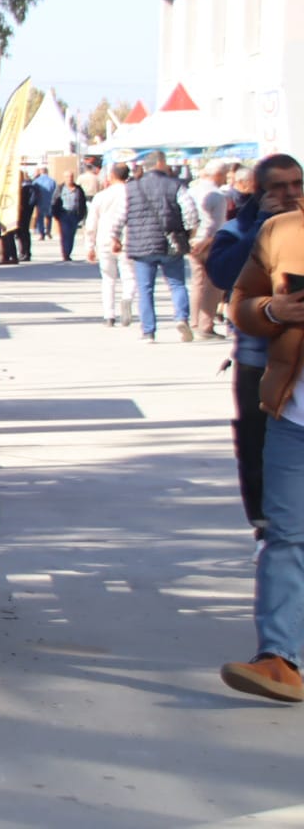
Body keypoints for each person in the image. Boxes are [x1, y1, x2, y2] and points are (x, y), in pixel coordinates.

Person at [221, 169, 304, 703]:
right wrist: (273, 310)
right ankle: (279, 660)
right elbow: (240, 304)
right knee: (287, 538)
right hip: (293, 417)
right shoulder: (283, 232)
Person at [209, 155, 304, 535]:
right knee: (257, 446)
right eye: (278, 187)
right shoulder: (237, 230)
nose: (290, 194)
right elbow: (222, 273)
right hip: (258, 358)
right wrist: (264, 228)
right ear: (259, 192)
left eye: (297, 184)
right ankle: (266, 524)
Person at [117, 151, 199, 342]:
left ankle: (148, 331)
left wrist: (115, 236)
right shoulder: (176, 185)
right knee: (177, 284)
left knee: (145, 289)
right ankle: (181, 317)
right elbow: (191, 213)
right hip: (170, 242)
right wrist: (189, 234)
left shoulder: (132, 188)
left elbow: (121, 215)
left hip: (141, 245)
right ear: (161, 163)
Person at [86, 163, 136, 327]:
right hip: (127, 238)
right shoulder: (132, 194)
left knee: (108, 278)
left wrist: (90, 246)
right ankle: (127, 298)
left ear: (111, 176)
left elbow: (92, 222)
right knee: (129, 275)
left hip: (104, 239)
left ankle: (109, 315)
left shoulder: (101, 196)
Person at [190, 159, 234, 339]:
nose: (225, 178)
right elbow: (216, 224)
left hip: (192, 242)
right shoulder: (216, 195)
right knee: (213, 285)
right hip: (210, 243)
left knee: (197, 282)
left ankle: (193, 321)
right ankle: (205, 325)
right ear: (218, 174)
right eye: (224, 174)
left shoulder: (192, 191)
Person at [51, 173, 87, 261]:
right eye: (67, 177)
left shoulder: (78, 189)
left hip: (74, 214)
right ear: (64, 178)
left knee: (71, 234)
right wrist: (55, 214)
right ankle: (65, 253)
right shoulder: (60, 188)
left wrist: (81, 215)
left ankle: (68, 252)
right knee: (65, 234)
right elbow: (54, 201)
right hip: (64, 214)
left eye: (71, 177)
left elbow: (83, 202)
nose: (69, 179)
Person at [31, 166, 57, 241]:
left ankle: (41, 233)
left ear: (41, 172)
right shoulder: (52, 181)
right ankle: (48, 231)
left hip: (40, 201)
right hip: (50, 201)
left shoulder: (36, 181)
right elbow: (55, 192)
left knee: (40, 218)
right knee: (49, 217)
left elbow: (33, 192)